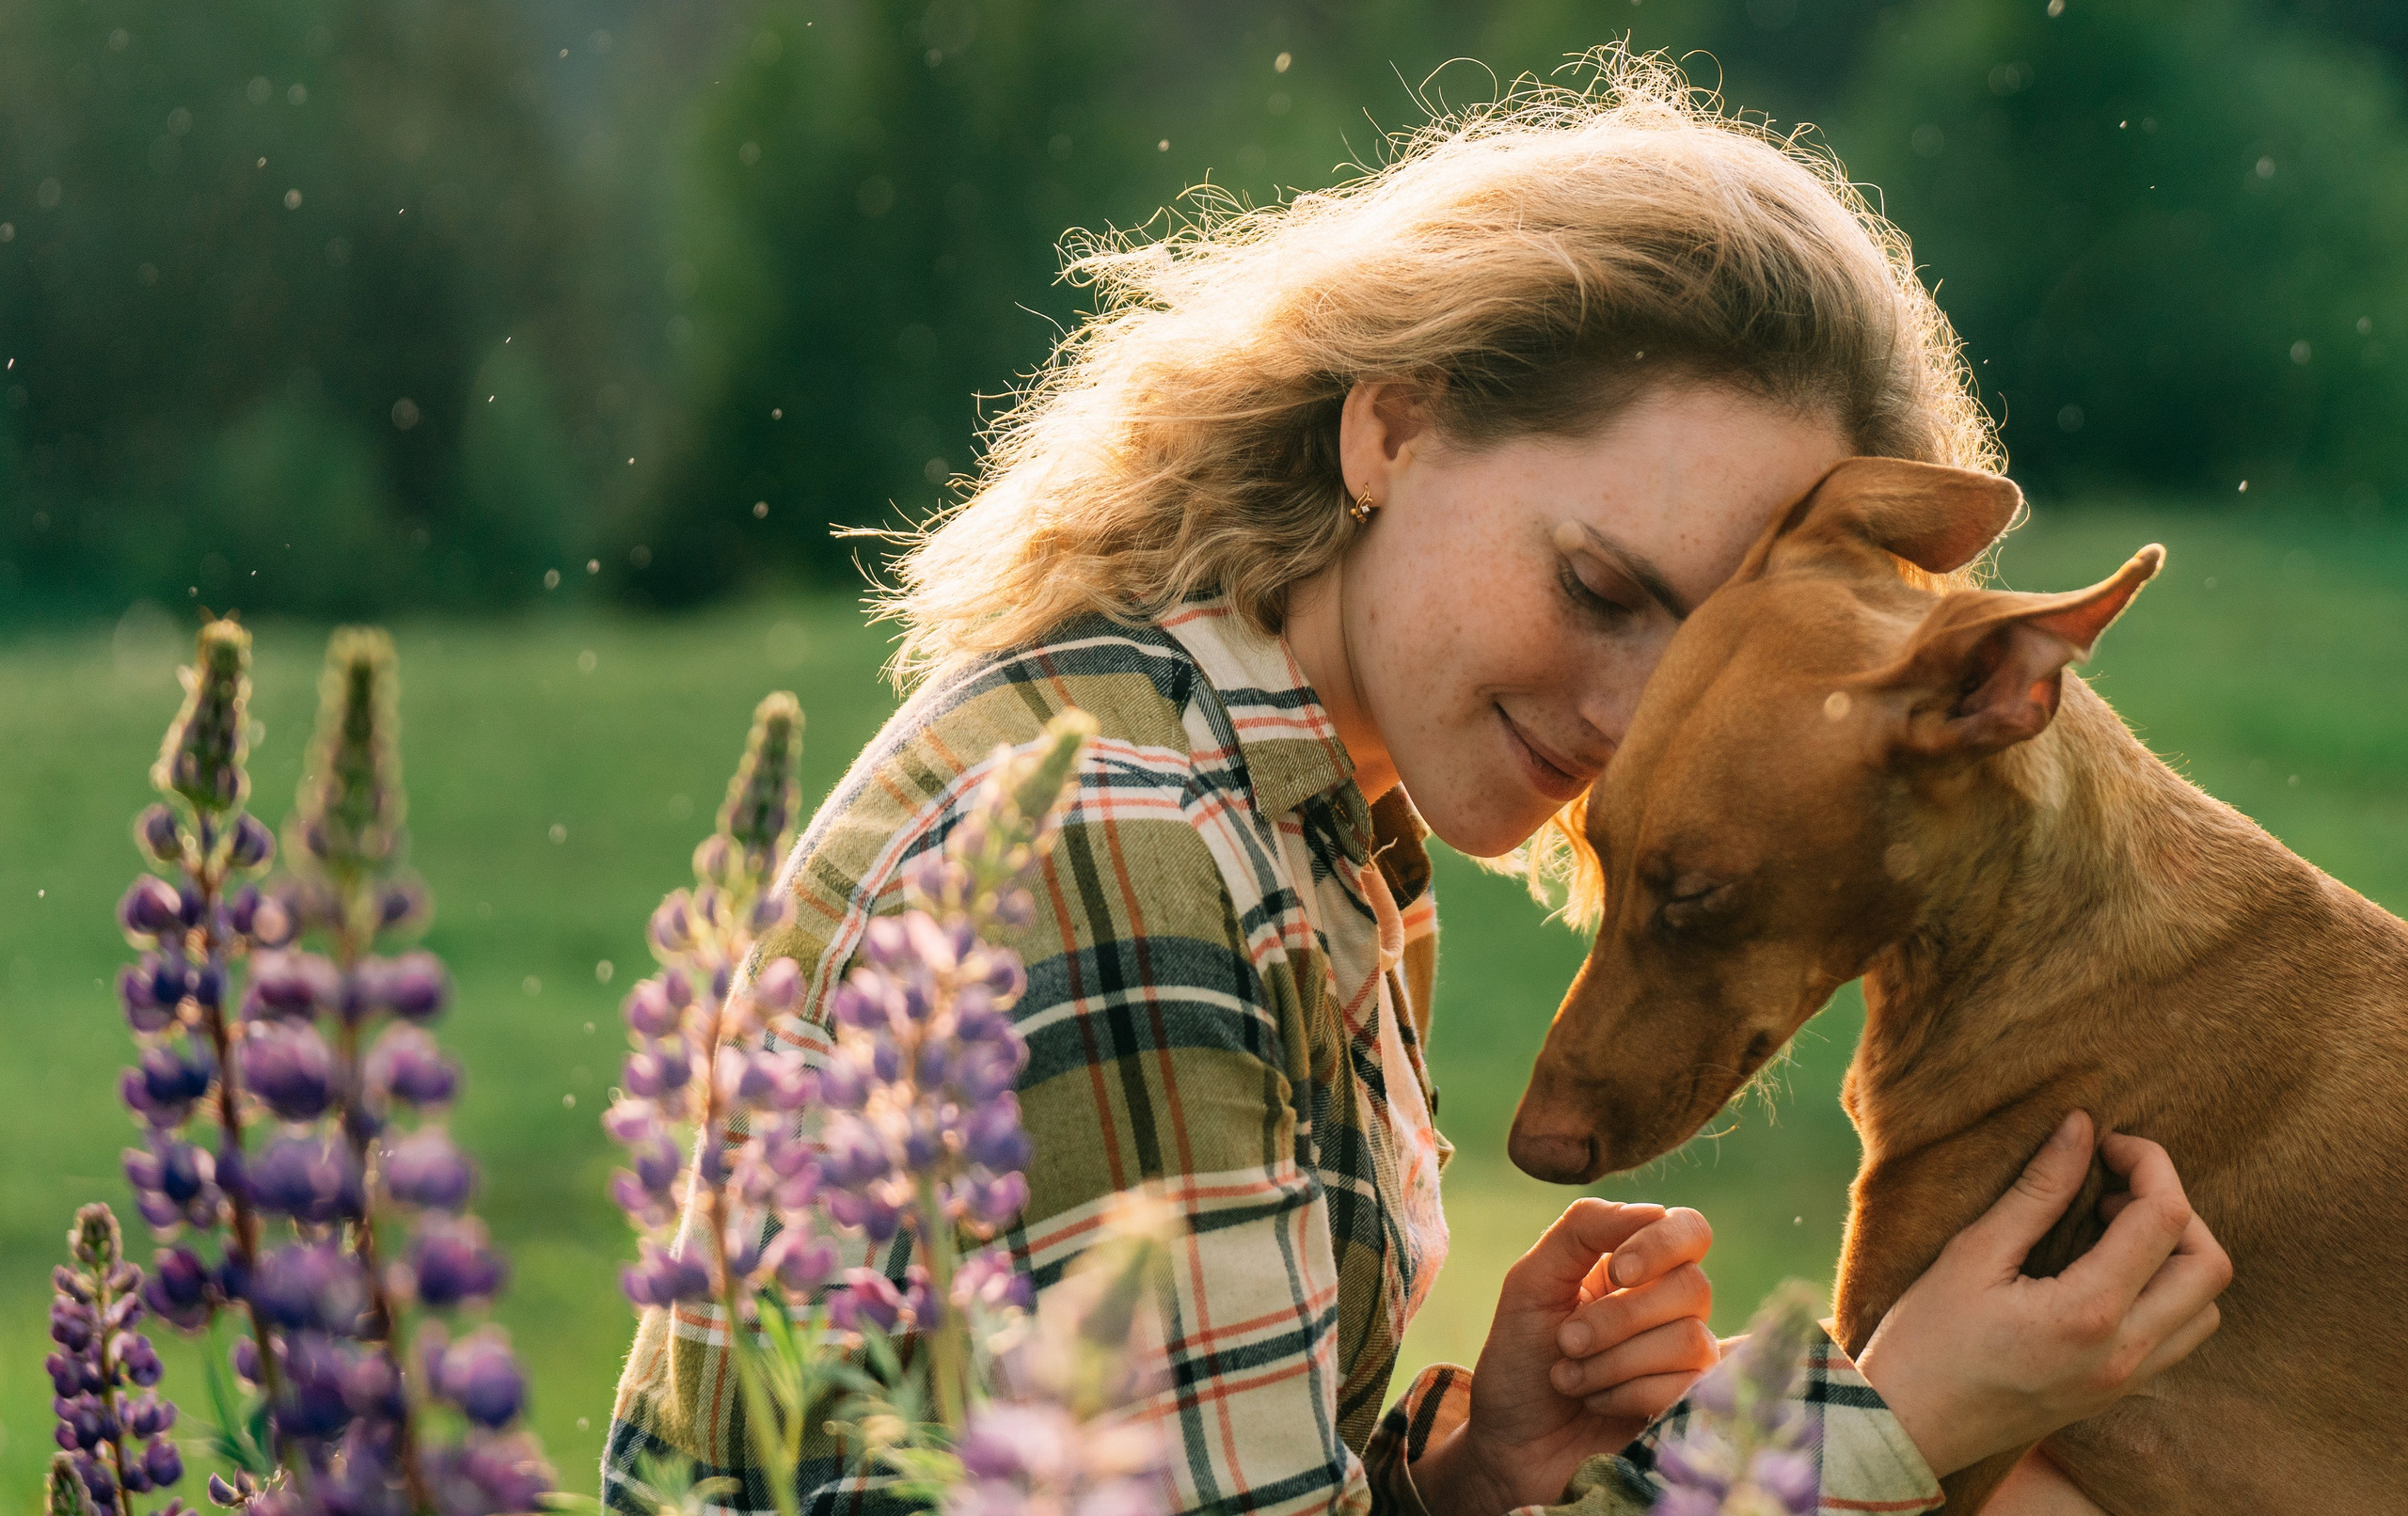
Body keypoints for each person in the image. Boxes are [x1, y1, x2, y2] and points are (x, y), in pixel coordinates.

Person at [603, 56, 2230, 1516]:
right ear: (1391, 428)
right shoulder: (1121, 847)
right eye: (1601, 588)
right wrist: (1888, 1415)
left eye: (1708, 668)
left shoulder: (1314, 823)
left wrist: (1474, 1467)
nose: (1627, 717)